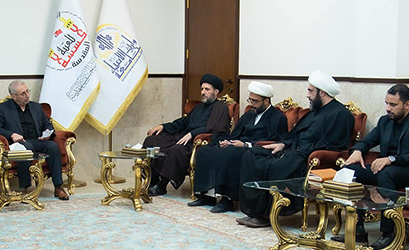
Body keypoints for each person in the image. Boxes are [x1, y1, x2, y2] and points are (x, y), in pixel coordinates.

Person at [237, 71, 354, 228]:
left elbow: (333, 145)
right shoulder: (314, 112)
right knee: (252, 154)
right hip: (291, 151)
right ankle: (254, 211)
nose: (307, 95)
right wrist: (282, 144)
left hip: (307, 158)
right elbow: (295, 135)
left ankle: (267, 214)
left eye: (310, 91)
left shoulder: (340, 114)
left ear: (322, 92)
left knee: (276, 166)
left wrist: (297, 151)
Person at [337, 84, 409, 249]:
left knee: (386, 174)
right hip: (388, 170)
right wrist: (358, 150)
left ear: (407, 104)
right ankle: (357, 228)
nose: (387, 108)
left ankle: (388, 233)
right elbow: (367, 141)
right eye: (386, 103)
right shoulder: (385, 121)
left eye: (393, 105)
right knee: (350, 170)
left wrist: (391, 159)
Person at [189, 81, 288, 213]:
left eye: (255, 101)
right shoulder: (249, 114)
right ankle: (207, 196)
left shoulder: (277, 117)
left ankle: (227, 200)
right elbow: (236, 133)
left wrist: (246, 145)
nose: (251, 104)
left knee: (229, 154)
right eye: (250, 100)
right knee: (206, 150)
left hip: (255, 150)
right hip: (238, 144)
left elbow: (275, 141)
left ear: (266, 101)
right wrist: (228, 141)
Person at [143, 73, 231, 196]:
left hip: (197, 142)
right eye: (202, 89)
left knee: (176, 150)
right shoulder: (199, 107)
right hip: (183, 137)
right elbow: (183, 122)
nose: (203, 92)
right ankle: (153, 179)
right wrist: (163, 126)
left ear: (216, 92)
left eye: (207, 89)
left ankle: (162, 185)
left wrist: (192, 133)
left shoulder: (220, 107)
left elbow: (215, 128)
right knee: (152, 141)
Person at [0, 80, 69, 200]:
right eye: (23, 93)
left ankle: (58, 187)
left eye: (27, 91)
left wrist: (47, 132)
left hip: (37, 140)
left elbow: (47, 124)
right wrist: (11, 134)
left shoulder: (36, 107)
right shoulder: (2, 109)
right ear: (14, 96)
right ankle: (24, 187)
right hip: (19, 142)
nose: (27, 95)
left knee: (52, 146)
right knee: (26, 148)